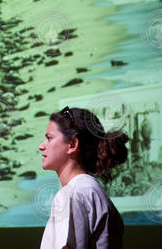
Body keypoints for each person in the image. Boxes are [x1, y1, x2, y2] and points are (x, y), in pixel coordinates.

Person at [38, 106, 129, 249]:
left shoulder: (74, 193)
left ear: (72, 145)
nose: (41, 146)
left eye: (49, 138)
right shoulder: (87, 189)